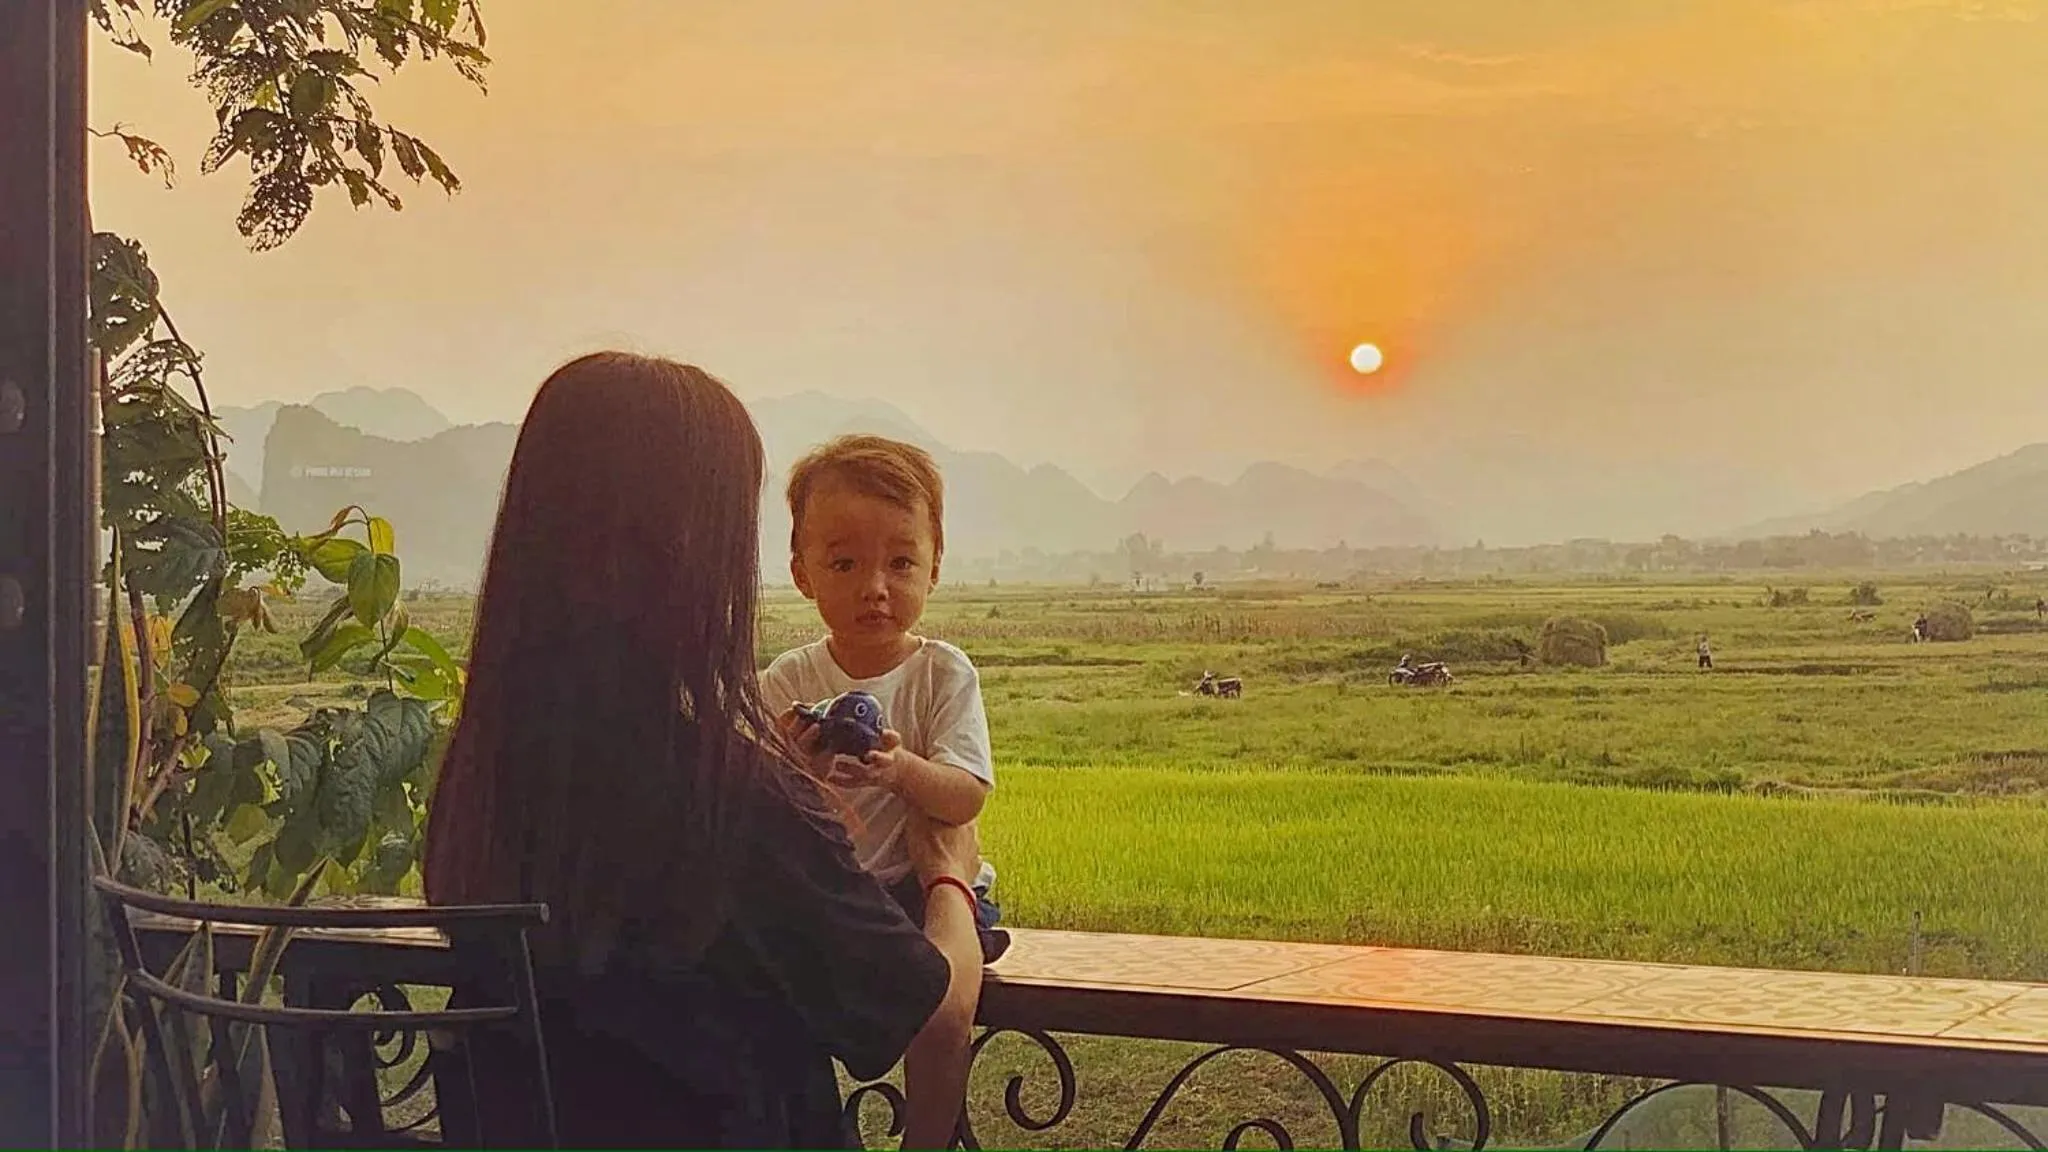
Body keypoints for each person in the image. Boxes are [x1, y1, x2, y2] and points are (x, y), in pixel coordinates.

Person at [423, 354, 985, 1150]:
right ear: (694, 553)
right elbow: (923, 1004)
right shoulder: (727, 799)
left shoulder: (485, 781)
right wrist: (950, 876)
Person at [759, 435, 1007, 1142]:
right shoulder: (788, 682)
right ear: (803, 573)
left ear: (934, 567)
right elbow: (756, 806)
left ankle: (924, 1139)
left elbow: (964, 799)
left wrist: (902, 772)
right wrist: (794, 768)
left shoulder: (941, 673)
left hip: (913, 892)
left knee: (939, 1010)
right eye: (845, 562)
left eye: (901, 562)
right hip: (827, 898)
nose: (875, 586)